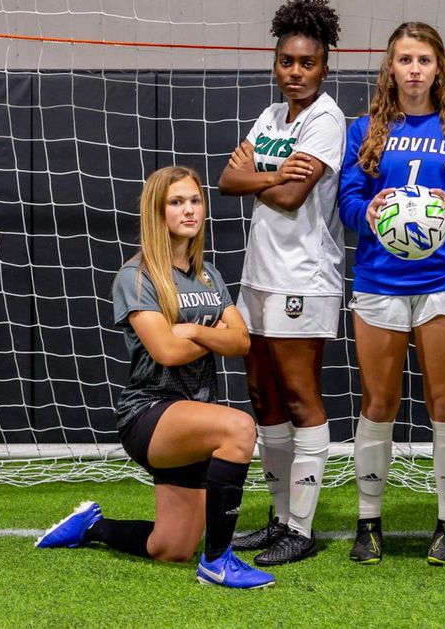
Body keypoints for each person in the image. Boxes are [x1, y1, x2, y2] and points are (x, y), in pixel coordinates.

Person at [35, 166, 274, 590]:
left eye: (195, 201)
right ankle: (218, 561)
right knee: (239, 428)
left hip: (195, 417)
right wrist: (214, 334)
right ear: (157, 212)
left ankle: (91, 526)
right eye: (176, 202)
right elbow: (166, 351)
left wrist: (194, 330)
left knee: (171, 547)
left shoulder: (209, 275)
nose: (189, 210)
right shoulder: (137, 277)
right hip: (149, 412)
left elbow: (241, 342)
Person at [338, 21, 445, 566]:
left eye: (424, 59)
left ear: (438, 67)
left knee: (444, 402)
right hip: (379, 281)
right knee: (379, 403)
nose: (415, 69)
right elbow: (347, 200)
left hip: (442, 281)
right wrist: (368, 211)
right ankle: (368, 523)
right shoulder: (364, 130)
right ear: (391, 68)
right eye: (405, 59)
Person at [216, 0, 344, 566]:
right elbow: (227, 180)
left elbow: (294, 198)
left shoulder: (327, 119)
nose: (295, 72)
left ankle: (302, 527)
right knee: (263, 394)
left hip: (303, 278)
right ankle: (279, 517)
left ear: (324, 67)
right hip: (259, 277)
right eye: (287, 62)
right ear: (275, 64)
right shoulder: (270, 118)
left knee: (298, 395)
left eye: (307, 63)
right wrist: (272, 172)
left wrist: (257, 174)